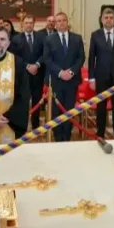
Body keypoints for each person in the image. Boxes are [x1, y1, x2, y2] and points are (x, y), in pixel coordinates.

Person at [87, 6, 114, 138]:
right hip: (101, 77)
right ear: (101, 19)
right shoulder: (95, 35)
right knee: (101, 105)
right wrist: (91, 78)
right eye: (106, 17)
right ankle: (100, 132)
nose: (108, 20)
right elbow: (91, 58)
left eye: (111, 18)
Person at [42, 12, 83, 142]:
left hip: (72, 80)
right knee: (56, 111)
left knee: (69, 109)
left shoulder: (77, 38)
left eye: (63, 20)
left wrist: (71, 72)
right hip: (56, 80)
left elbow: (81, 58)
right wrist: (60, 73)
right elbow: (47, 59)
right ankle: (58, 136)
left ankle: (67, 136)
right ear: (55, 24)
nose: (61, 23)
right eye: (58, 21)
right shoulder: (49, 39)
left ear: (67, 22)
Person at [16, 15, 45, 129]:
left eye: (30, 23)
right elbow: (15, 57)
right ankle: (23, 125)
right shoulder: (16, 39)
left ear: (34, 24)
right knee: (23, 101)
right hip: (23, 75)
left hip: (38, 74)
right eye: (26, 23)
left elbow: (45, 53)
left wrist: (37, 65)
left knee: (37, 101)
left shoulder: (41, 37)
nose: (28, 25)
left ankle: (36, 125)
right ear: (22, 24)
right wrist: (27, 66)